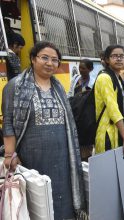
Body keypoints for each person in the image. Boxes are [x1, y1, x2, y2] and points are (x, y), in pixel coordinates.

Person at [2, 41, 85, 219]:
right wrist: (10, 154)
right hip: (32, 160)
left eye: (54, 60)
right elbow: (8, 122)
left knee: (63, 203)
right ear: (33, 59)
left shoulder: (59, 88)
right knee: (38, 205)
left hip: (63, 158)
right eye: (44, 58)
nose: (50, 63)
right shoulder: (15, 86)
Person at [94, 45, 124, 155]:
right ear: (107, 59)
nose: (119, 59)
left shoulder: (118, 77)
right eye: (114, 56)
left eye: (122, 56)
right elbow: (114, 110)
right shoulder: (105, 78)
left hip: (118, 133)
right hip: (109, 134)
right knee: (109, 171)